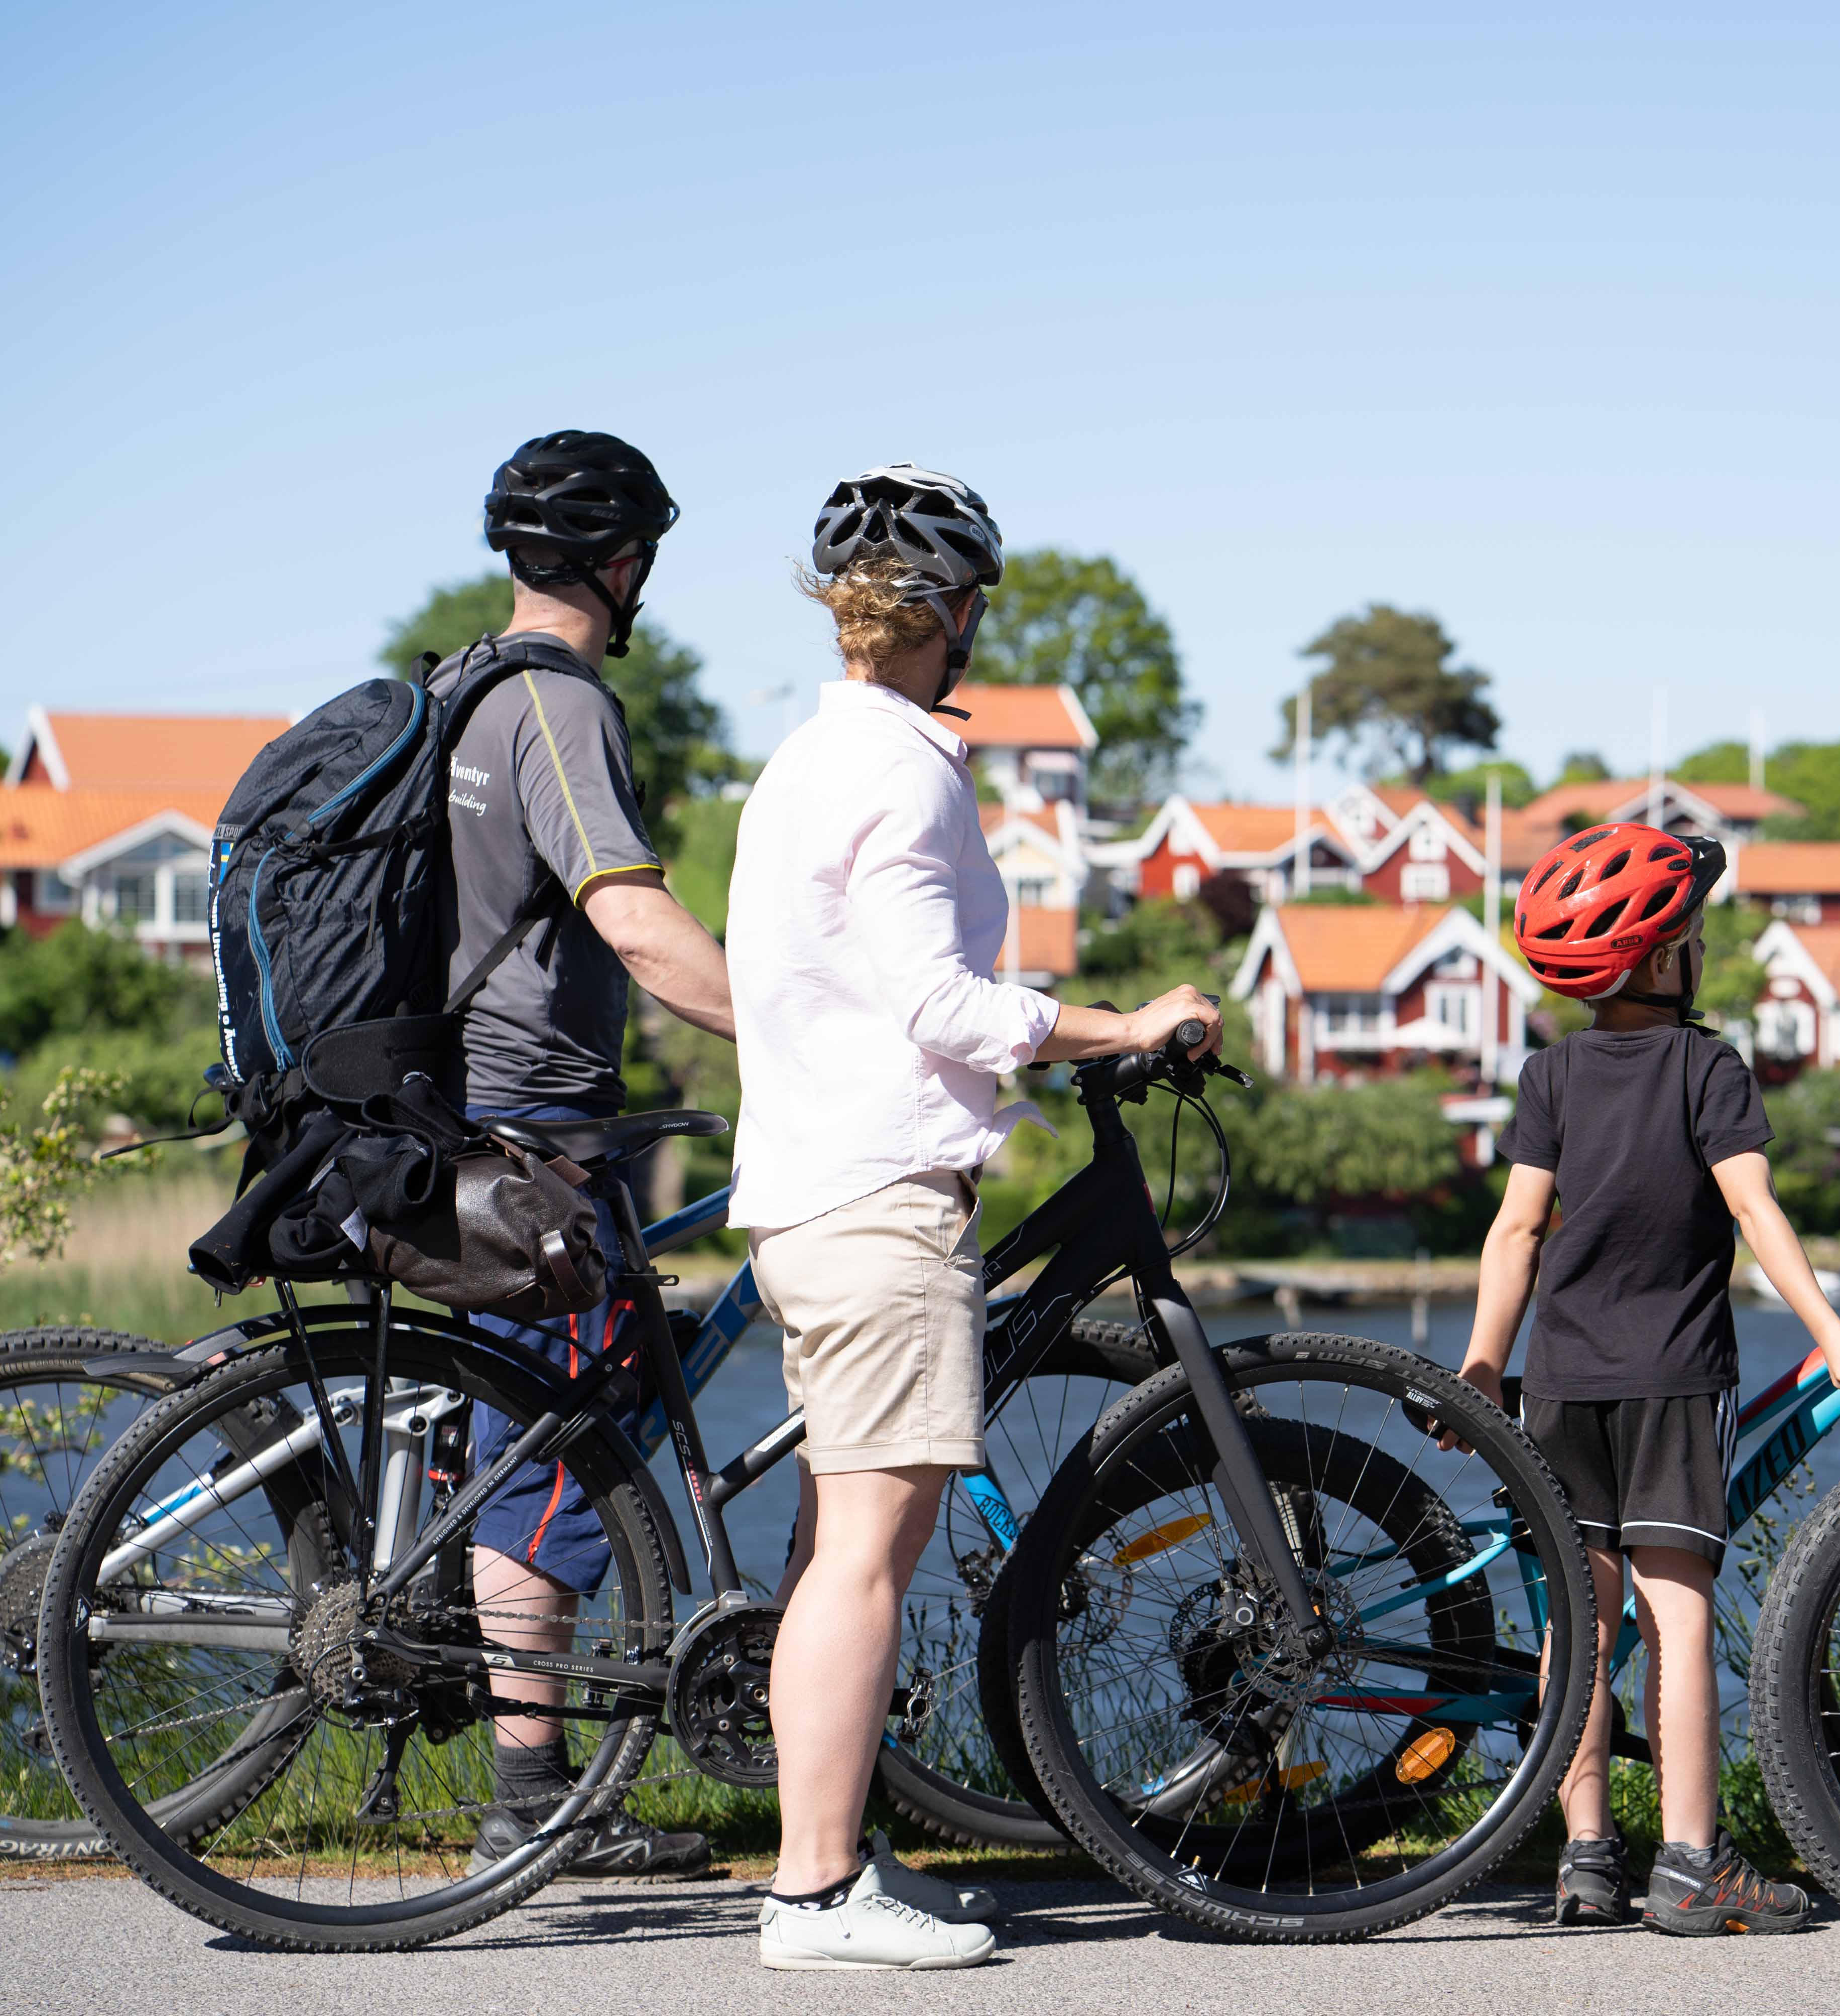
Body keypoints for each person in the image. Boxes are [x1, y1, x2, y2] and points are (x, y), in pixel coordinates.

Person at [727, 464, 1224, 1972]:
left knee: (836, 1545)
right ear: (948, 613)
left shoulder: (808, 762)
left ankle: (834, 1854)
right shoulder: (904, 773)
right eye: (974, 607)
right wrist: (1120, 1020)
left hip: (818, 1184)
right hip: (879, 1197)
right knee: (870, 1554)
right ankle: (813, 1898)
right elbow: (936, 1000)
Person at [1452, 822, 1840, 1935]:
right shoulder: (1708, 1065)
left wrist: (1484, 1361)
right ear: (1660, 955)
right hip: (1677, 1379)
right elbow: (1752, 1206)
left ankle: (1584, 1857)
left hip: (1561, 1382)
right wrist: (1828, 1327)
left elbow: (1516, 1230)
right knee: (1676, 1619)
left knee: (1578, 1628)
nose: (1704, 945)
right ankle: (1692, 1863)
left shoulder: (1549, 1074)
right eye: (1693, 931)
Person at [437, 430, 742, 1877]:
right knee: (549, 1455)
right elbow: (631, 918)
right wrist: (797, 1035)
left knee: (530, 1435)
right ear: (624, 565)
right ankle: (535, 1795)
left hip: (466, 1111)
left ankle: (531, 1769)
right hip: (537, 1132)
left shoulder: (456, 687)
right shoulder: (557, 706)